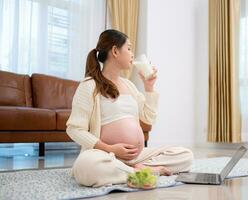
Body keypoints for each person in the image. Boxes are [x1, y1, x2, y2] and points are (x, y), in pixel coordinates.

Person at [66, 29, 193, 187]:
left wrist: (149, 87)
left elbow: (148, 118)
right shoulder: (89, 85)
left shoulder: (129, 85)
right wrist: (109, 148)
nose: (132, 54)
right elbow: (74, 129)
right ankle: (139, 171)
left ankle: (131, 169)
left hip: (136, 156)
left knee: (185, 155)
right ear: (115, 51)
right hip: (105, 155)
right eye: (129, 48)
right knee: (87, 167)